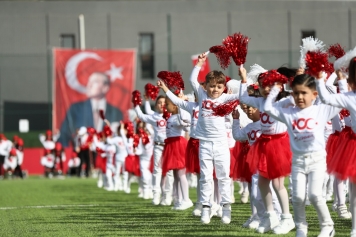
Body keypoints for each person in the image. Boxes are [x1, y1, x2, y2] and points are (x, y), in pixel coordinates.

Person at [265, 73, 339, 237]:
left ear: (314, 95)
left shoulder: (321, 110)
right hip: (298, 161)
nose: (300, 97)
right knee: (297, 197)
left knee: (314, 195)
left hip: (317, 160)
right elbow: (267, 108)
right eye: (296, 93)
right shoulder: (289, 113)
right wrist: (275, 90)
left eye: (304, 93)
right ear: (292, 94)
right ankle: (301, 228)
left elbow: (339, 101)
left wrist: (321, 81)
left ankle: (328, 226)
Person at [172, 53, 240, 225]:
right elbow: (192, 80)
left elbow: (243, 95)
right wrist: (199, 64)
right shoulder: (202, 96)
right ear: (206, 87)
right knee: (205, 177)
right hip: (204, 144)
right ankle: (206, 208)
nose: (215, 89)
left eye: (218, 86)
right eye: (211, 86)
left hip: (221, 144)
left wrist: (243, 76)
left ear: (223, 87)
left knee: (224, 176)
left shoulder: (226, 98)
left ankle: (226, 208)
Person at [239, 66, 295, 234]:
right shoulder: (260, 101)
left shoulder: (283, 101)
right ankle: (270, 217)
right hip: (263, 144)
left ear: (279, 86)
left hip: (278, 144)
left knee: (278, 183)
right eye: (263, 85)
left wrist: (286, 84)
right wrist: (243, 79)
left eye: (270, 85)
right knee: (262, 182)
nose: (266, 89)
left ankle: (287, 218)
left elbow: (295, 97)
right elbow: (243, 97)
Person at [315, 57, 356, 237]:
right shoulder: (349, 97)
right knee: (354, 190)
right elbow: (325, 97)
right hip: (354, 144)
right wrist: (320, 79)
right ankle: (355, 228)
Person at [58, 72, 123, 147]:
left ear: (105, 88)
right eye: (89, 82)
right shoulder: (76, 109)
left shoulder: (116, 112)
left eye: (94, 82)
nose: (89, 85)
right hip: (82, 155)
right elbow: (64, 136)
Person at [134, 95, 174, 206]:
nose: (162, 104)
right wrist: (136, 104)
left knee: (170, 172)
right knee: (157, 171)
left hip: (170, 147)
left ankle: (167, 196)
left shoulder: (172, 115)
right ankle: (156, 195)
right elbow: (142, 116)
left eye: (164, 102)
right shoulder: (154, 116)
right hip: (158, 146)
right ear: (156, 105)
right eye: (159, 102)